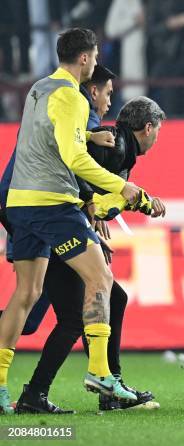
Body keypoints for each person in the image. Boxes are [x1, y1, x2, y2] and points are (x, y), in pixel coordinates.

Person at [0, 28, 142, 414]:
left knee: (26, 295)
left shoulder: (37, 89)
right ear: (84, 58)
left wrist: (89, 138)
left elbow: (44, 138)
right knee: (101, 279)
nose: (95, 64)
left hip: (19, 203)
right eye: (94, 57)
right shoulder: (73, 98)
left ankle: (0, 388)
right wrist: (124, 189)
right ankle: (99, 371)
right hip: (51, 202)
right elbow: (73, 158)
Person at [13, 97, 166, 414]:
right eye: (158, 131)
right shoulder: (113, 146)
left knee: (38, 318)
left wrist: (93, 225)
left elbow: (92, 193)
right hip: (53, 227)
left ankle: (100, 387)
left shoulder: (118, 147)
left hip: (55, 227)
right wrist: (129, 202)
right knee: (67, 316)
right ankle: (98, 389)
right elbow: (80, 180)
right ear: (148, 127)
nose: (107, 100)